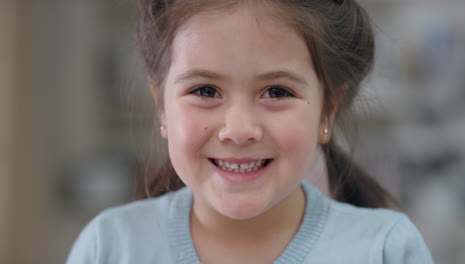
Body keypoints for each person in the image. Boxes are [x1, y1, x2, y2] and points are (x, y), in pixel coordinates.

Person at [67, 0, 434, 263]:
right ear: (161, 104)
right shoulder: (111, 246)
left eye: (277, 92)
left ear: (328, 109)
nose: (239, 130)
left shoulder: (386, 249)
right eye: (205, 91)